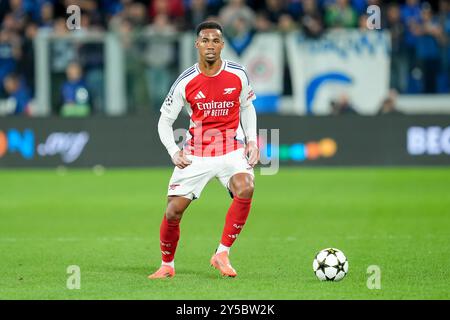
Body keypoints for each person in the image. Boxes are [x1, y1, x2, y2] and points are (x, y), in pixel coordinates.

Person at [148, 21, 259, 279]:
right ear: (197, 44)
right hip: (196, 153)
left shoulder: (238, 74)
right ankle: (167, 265)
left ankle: (222, 253)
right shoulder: (186, 81)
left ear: (222, 45)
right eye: (205, 41)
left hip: (232, 149)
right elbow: (164, 120)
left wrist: (252, 141)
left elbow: (247, 107)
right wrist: (173, 151)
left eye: (215, 41)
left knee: (246, 186)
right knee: (173, 211)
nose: (210, 45)